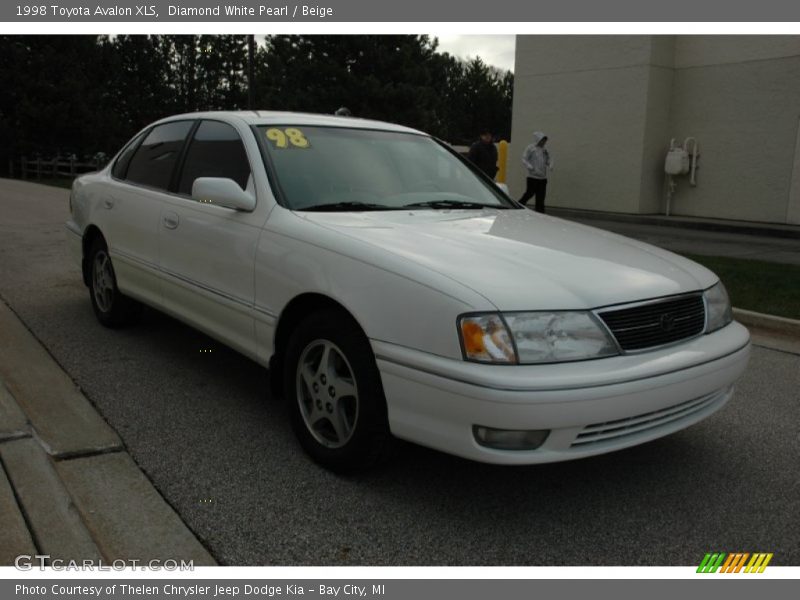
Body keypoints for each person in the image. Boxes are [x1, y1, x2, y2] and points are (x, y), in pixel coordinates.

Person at [518, 131, 553, 213]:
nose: (544, 142)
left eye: (545, 141)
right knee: (529, 194)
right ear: (538, 140)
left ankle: (540, 213)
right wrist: (529, 166)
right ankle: (518, 206)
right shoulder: (531, 148)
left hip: (542, 178)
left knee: (541, 197)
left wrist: (550, 164)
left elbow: (548, 159)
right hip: (532, 177)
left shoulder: (545, 150)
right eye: (542, 140)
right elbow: (524, 158)